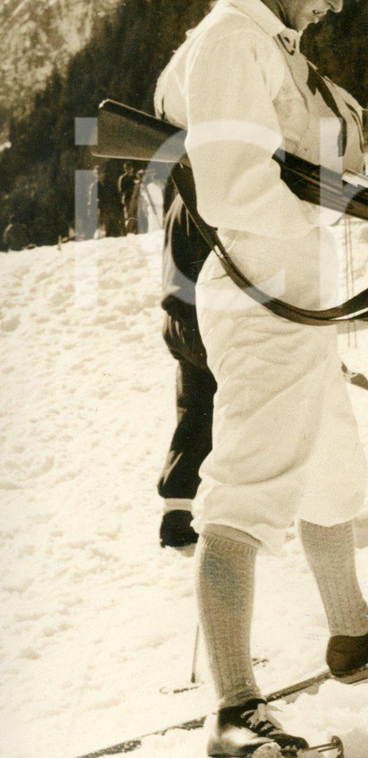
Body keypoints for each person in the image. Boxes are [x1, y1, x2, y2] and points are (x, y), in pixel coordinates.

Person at [154, 0, 368, 758]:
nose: (334, 1)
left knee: (332, 473)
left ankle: (352, 631)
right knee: (243, 498)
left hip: (296, 301)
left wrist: (357, 151)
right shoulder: (229, 46)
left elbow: (299, 152)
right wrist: (342, 205)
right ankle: (236, 709)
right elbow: (242, 190)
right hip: (262, 300)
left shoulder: (266, 42)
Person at [157, 184, 215, 549]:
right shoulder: (208, 193)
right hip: (206, 321)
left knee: (195, 414)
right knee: (243, 409)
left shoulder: (182, 189)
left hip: (179, 320)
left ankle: (175, 517)